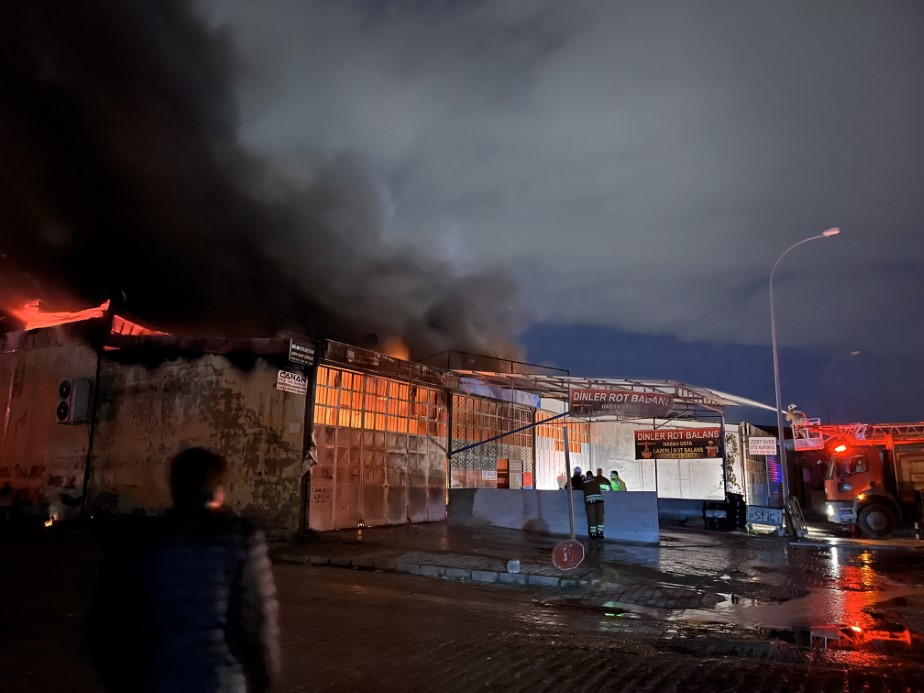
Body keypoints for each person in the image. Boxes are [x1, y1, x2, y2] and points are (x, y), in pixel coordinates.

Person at [91, 448, 280, 693]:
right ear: (219, 491)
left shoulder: (136, 542)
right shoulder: (241, 540)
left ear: (173, 488)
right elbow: (257, 623)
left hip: (153, 681)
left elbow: (107, 626)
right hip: (220, 682)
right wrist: (263, 679)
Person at [582, 470, 605, 543]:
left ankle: (593, 534)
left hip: (590, 503)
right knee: (600, 518)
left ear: (587, 475)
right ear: (592, 475)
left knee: (592, 518)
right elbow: (607, 482)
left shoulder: (584, 482)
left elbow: (578, 486)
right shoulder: (597, 479)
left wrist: (582, 479)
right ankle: (600, 533)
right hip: (599, 502)